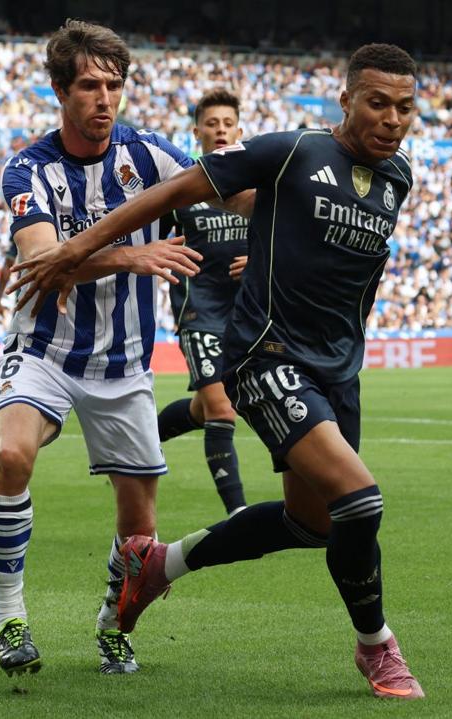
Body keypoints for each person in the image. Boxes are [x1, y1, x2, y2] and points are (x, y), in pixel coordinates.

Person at [8, 43, 425, 700]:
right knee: (361, 499)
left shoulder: (398, 176)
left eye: (405, 106)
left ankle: (158, 563)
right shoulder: (292, 151)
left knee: (312, 523)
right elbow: (177, 189)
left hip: (337, 370)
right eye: (378, 102)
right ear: (345, 101)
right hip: (265, 356)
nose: (392, 118)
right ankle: (377, 648)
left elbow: (357, 273)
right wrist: (77, 249)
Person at [0, 20, 205, 678]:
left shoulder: (152, 156)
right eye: (88, 85)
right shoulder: (29, 169)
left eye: (114, 85)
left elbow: (231, 197)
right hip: (43, 351)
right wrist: (130, 254)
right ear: (60, 90)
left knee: (140, 536)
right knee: (11, 452)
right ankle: (9, 620)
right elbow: (44, 264)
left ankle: (113, 624)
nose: (104, 98)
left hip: (124, 365)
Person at [156, 89, 250, 516]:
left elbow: (282, 238)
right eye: (212, 124)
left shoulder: (255, 187)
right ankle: (238, 513)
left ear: (239, 131)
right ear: (197, 133)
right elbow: (149, 237)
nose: (220, 130)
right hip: (200, 313)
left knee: (201, 408)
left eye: (227, 123)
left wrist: (263, 260)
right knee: (220, 408)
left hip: (250, 314)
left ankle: (138, 445)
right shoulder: (182, 186)